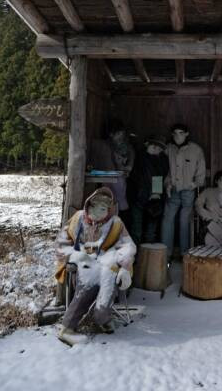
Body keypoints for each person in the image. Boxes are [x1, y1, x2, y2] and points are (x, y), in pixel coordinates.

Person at [54, 187, 136, 346]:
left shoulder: (116, 223)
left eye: (103, 207)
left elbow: (128, 246)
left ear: (110, 209)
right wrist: (74, 255)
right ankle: (67, 328)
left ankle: (102, 318)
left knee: (109, 281)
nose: (98, 211)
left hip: (107, 259)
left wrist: (125, 267)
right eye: (94, 206)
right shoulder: (78, 219)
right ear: (88, 205)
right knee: (87, 285)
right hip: (84, 260)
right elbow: (61, 242)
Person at [162, 123, 206, 257]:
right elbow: (165, 168)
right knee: (167, 218)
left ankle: (184, 253)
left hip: (188, 189)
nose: (177, 136)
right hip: (173, 189)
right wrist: (167, 183)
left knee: (185, 219)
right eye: (175, 133)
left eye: (181, 133)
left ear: (187, 134)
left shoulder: (195, 149)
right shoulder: (169, 149)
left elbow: (201, 169)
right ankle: (165, 253)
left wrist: (195, 184)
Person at [129, 136, 170, 243]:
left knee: (151, 230)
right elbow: (135, 177)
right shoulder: (138, 156)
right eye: (153, 145)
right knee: (136, 229)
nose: (156, 148)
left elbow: (160, 175)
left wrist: (155, 193)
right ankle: (135, 255)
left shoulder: (162, 160)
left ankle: (148, 256)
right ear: (147, 145)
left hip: (153, 198)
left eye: (158, 147)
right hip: (138, 195)